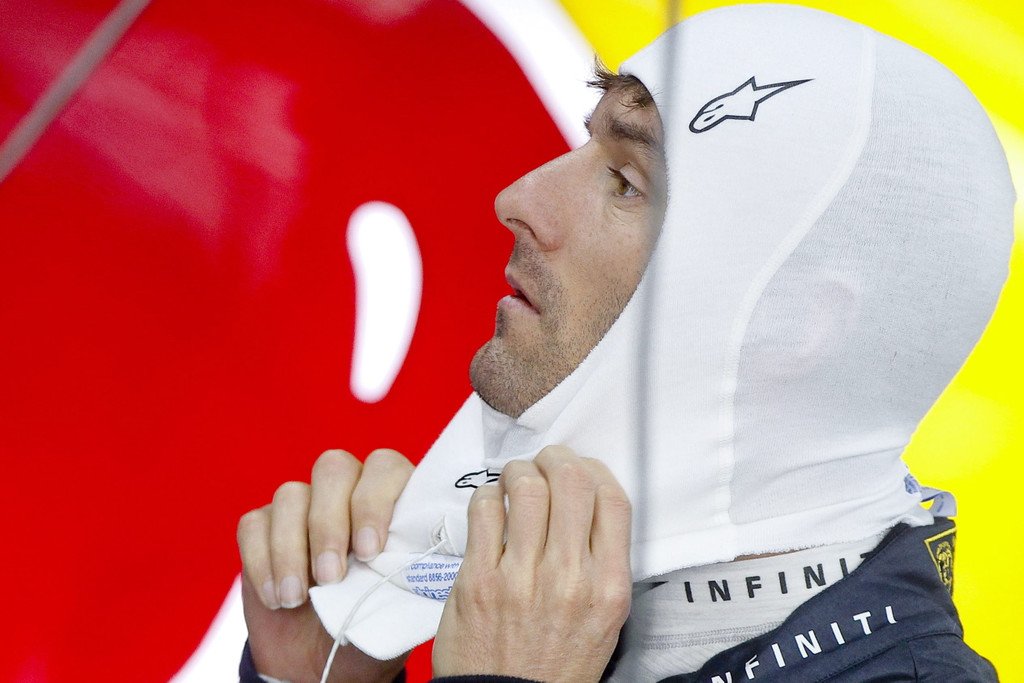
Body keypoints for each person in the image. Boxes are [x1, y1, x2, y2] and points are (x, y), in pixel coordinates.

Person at [237, 5, 1013, 681]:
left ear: (796, 323)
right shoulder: (527, 613)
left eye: (626, 182)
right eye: (589, 148)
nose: (519, 198)